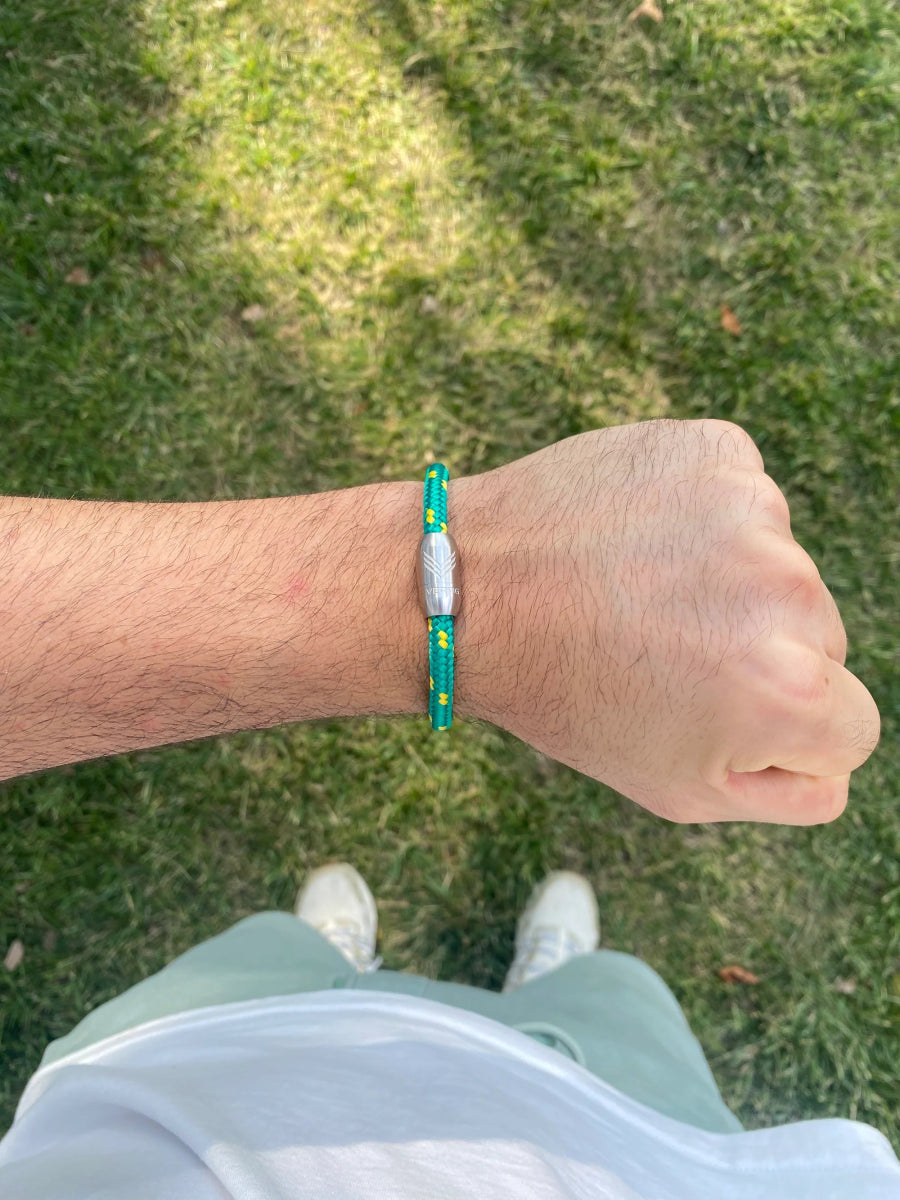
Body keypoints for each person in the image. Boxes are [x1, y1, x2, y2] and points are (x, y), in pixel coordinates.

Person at [0, 417, 895, 1197]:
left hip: (186, 1059)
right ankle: (548, 989)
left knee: (270, 950)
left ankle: (326, 971)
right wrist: (487, 610)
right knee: (617, 993)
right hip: (637, 1122)